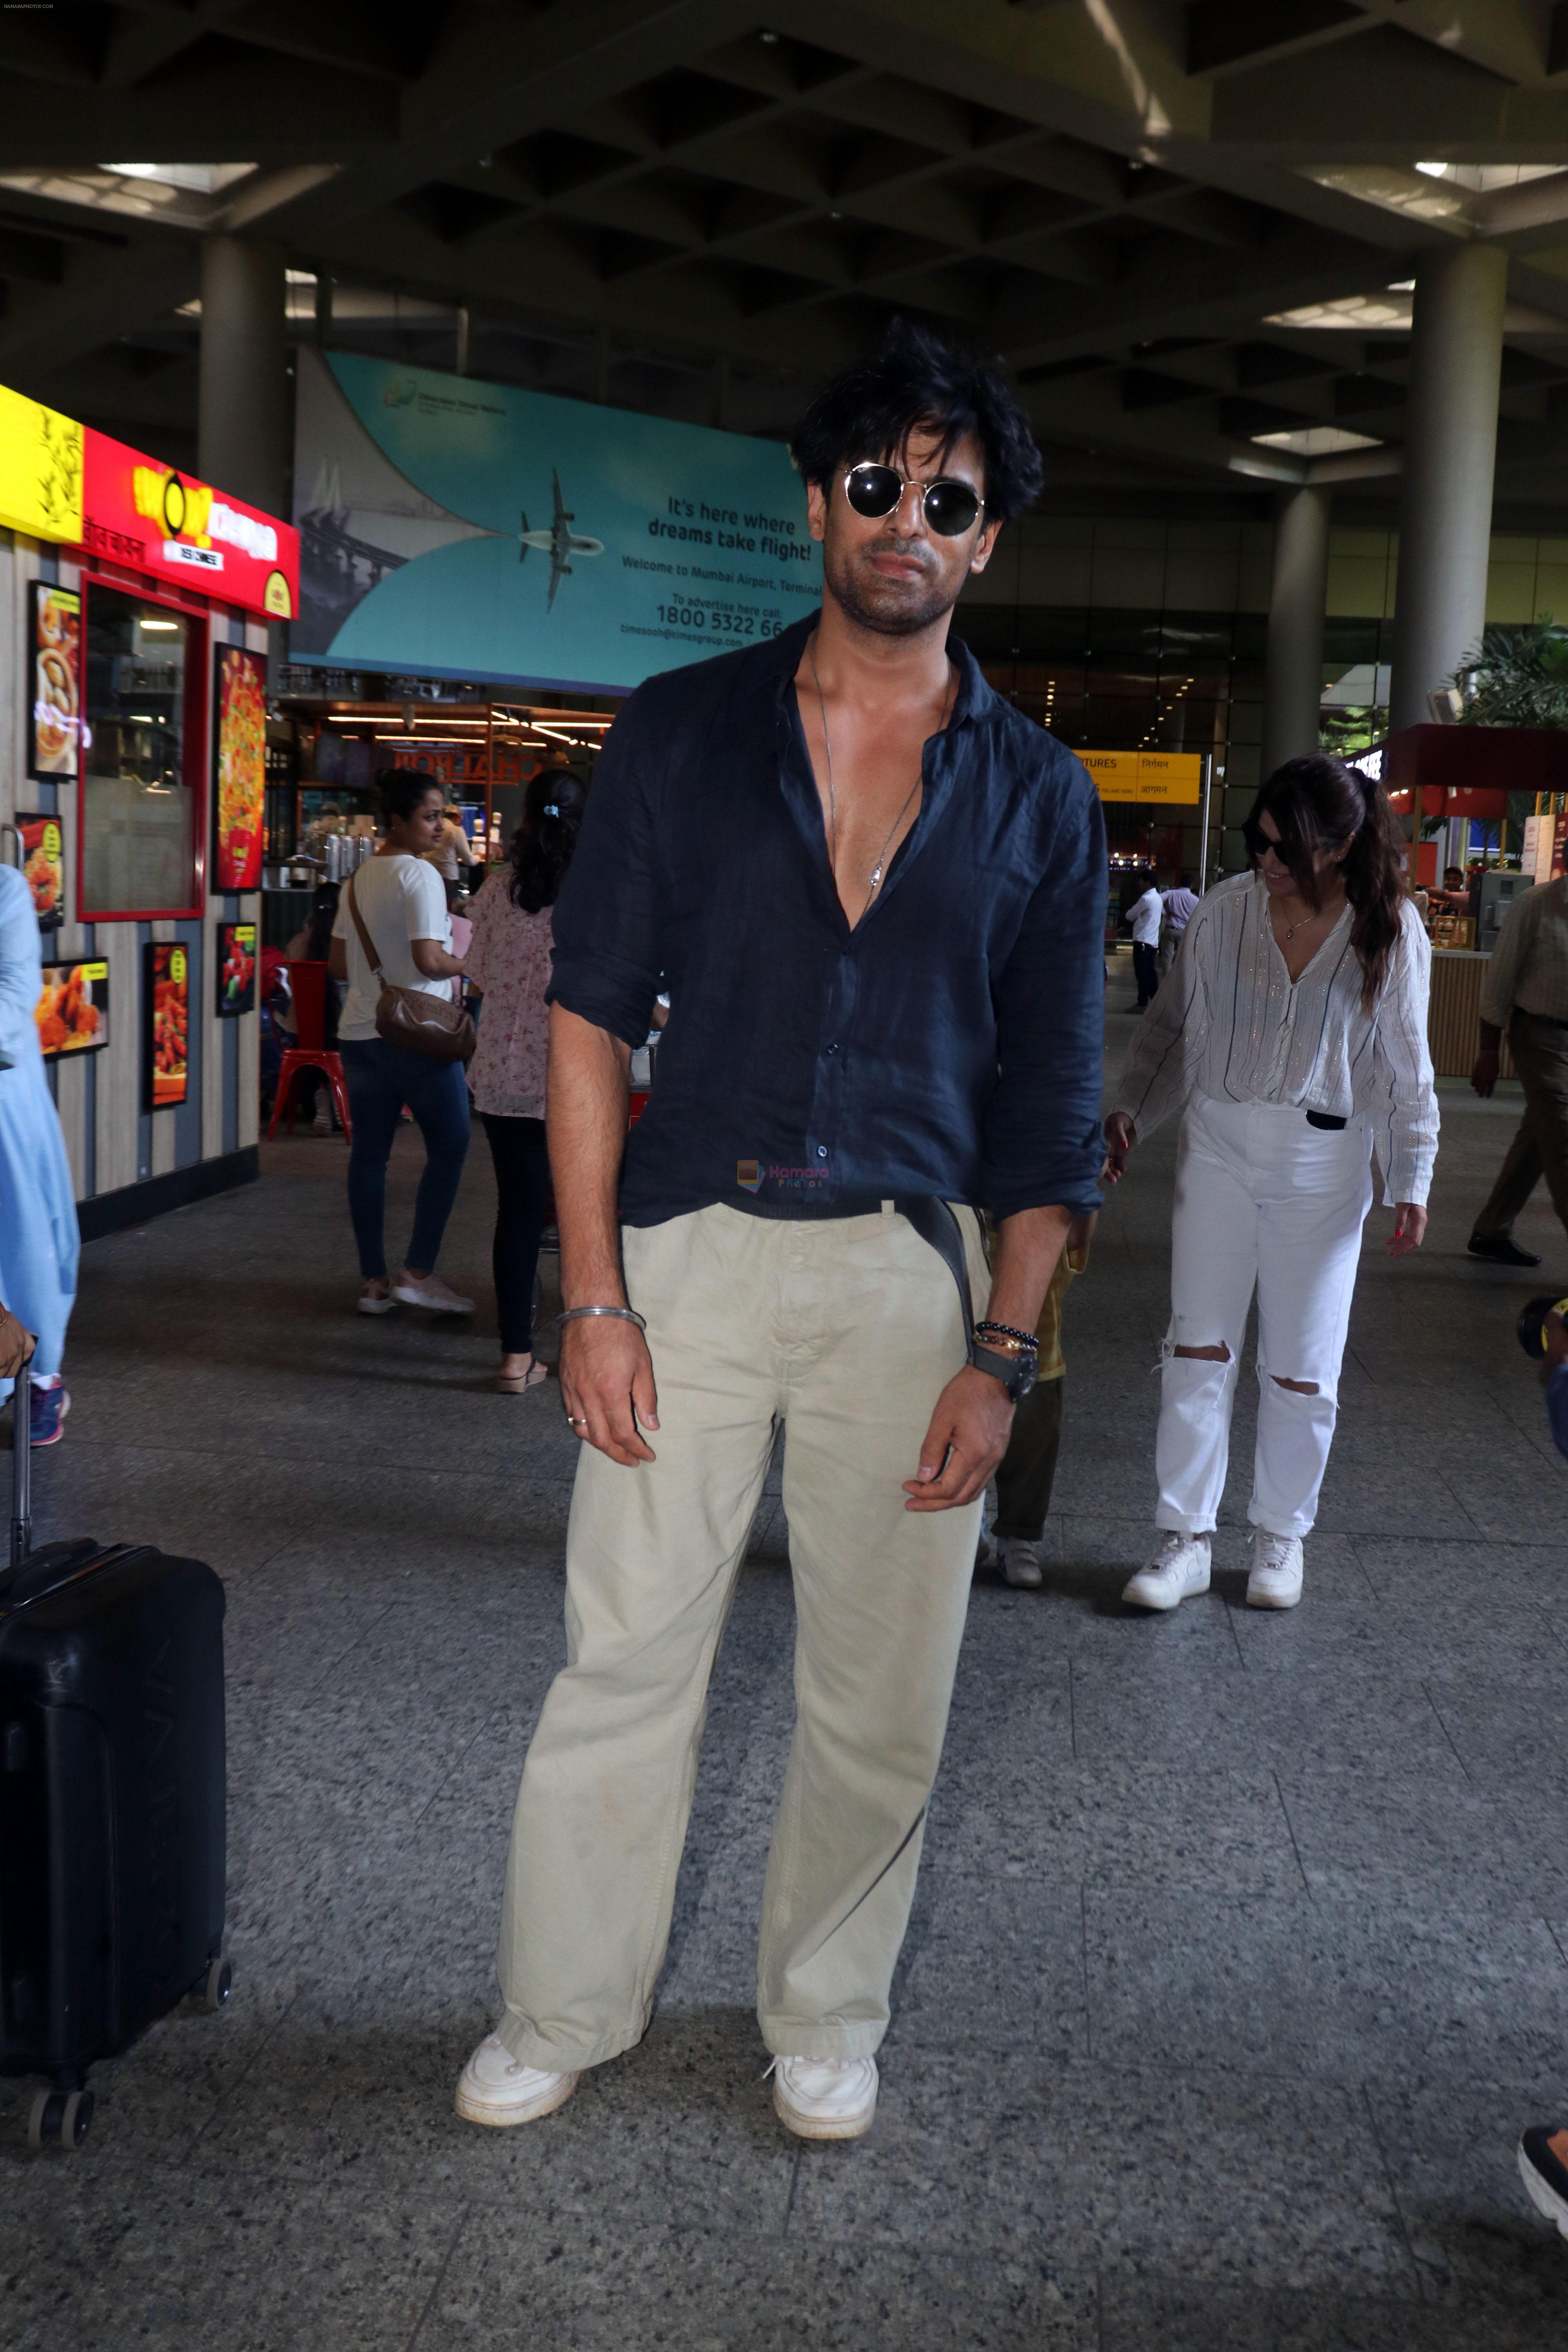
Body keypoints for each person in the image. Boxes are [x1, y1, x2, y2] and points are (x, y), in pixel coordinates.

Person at [454, 318, 1106, 2145]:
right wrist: (590, 1295)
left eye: (949, 496)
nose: (910, 516)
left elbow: (1051, 1113)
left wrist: (1001, 1352)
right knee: (624, 1655)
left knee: (879, 1686)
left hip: (907, 1278)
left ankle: (824, 2007)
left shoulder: (1040, 800)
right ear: (820, 500)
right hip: (688, 1255)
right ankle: (560, 2002)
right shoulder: (677, 733)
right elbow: (586, 1015)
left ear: (985, 540)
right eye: (878, 481)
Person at [1105, 755, 1437, 1613]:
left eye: (1285, 848)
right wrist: (1127, 1115)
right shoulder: (1221, 914)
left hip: (1323, 1168)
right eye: (1258, 842)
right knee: (1195, 1347)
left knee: (1301, 1367)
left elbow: (1406, 1069)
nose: (1267, 861)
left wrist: (1411, 1174)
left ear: (1340, 844)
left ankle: (1279, 1535)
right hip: (1217, 1145)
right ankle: (1183, 1536)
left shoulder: (1387, 930)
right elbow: (1171, 1031)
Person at [328, 770, 473, 1317]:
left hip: (360, 1034)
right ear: (399, 821)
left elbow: (340, 963)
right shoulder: (420, 875)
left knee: (370, 1154)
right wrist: (475, 964)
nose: (440, 826)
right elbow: (429, 960)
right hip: (417, 1035)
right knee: (454, 1143)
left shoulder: (359, 878)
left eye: (443, 815)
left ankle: (373, 1282)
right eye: (430, 816)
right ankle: (418, 1271)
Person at [464, 771, 586, 1393]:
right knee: (583, 1214)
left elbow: (476, 975)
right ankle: (589, 1348)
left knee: (517, 1212)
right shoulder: (595, 895)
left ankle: (516, 1358)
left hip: (503, 1073)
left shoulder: (494, 891)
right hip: (573, 1073)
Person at [0, 862, 78, 1446]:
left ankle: (39, 1379)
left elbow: (17, 990)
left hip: (5, 1096)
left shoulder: (6, 889)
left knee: (26, 1237)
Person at [977, 1213, 1094, 1587]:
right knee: (958, 1440)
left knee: (1031, 1451)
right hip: (962, 1358)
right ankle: (965, 1518)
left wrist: (1084, 1187)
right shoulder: (968, 1219)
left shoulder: (1048, 1220)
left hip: (1037, 1362)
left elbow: (1077, 1242)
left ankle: (1018, 1534)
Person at [1467, 870, 1568, 1269]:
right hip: (1540, 1037)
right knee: (1563, 1139)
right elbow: (1499, 980)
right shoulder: (1536, 904)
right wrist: (1487, 1050)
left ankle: (1492, 1229)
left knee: (1541, 1135)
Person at [277, 882, 342, 1132]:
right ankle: (340, 1099)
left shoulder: (296, 944)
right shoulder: (346, 947)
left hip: (300, 1033)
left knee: (309, 1043)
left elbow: (292, 986)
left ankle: (322, 1096)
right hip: (338, 1036)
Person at [1128, 875, 1163, 1009]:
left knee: (1141, 973)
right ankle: (1155, 1000)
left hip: (1142, 940)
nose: (1139, 883)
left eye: (1141, 880)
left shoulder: (1146, 899)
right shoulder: (1158, 898)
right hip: (1152, 942)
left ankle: (1142, 1002)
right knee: (1151, 972)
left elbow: (1130, 915)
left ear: (1147, 883)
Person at [1158, 869, 1198, 981]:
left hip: (1170, 929)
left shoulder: (1172, 894)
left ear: (1180, 882)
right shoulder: (1195, 900)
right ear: (1191, 885)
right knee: (1182, 959)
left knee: (1167, 959)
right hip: (1185, 932)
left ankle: (1167, 983)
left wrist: (1165, 913)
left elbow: (1157, 900)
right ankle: (1179, 982)